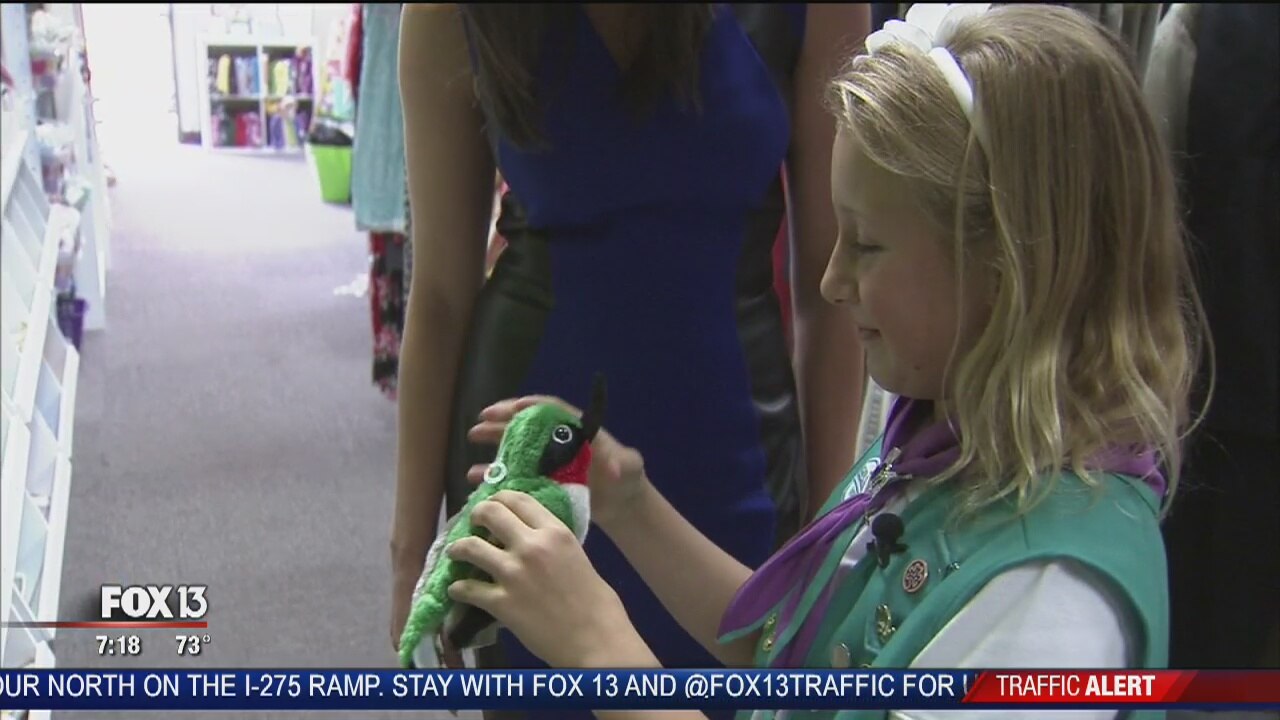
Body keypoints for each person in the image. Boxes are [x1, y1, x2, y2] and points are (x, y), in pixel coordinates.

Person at [443, 5, 1206, 720]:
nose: (834, 281)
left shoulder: (1048, 605)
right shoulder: (943, 450)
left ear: (1011, 268)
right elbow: (797, 650)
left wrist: (599, 650)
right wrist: (629, 503)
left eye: (867, 244)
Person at [391, 4, 869, 716]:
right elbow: (438, 296)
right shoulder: (454, 13)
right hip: (535, 465)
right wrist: (409, 556)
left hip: (733, 459)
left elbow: (834, 289)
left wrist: (831, 525)